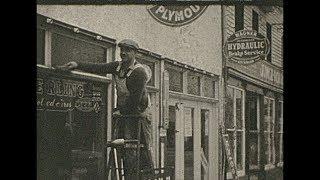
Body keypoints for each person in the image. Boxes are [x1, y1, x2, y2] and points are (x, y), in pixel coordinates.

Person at [58, 39, 154, 179]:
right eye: (121, 50)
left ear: (134, 53)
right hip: (125, 113)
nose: (123, 53)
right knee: (124, 149)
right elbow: (99, 68)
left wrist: (121, 111)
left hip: (139, 115)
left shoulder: (138, 72)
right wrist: (77, 65)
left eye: (127, 50)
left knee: (134, 151)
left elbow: (135, 101)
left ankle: (136, 176)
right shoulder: (117, 67)